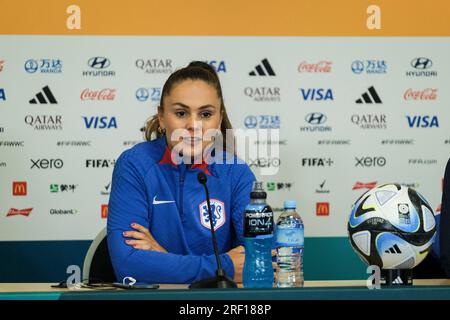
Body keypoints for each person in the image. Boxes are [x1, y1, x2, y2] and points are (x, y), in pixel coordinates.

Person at [107, 61, 256, 285]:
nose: (193, 125)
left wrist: (163, 257)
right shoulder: (134, 165)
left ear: (218, 119)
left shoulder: (237, 173)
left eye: (205, 114)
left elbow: (262, 259)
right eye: (180, 112)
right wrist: (222, 267)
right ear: (161, 117)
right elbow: (128, 266)